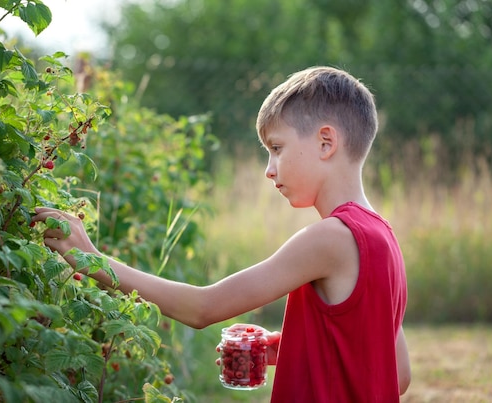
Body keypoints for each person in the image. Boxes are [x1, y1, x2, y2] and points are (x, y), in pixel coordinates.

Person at [33, 66, 411, 402]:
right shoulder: (383, 238)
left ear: (326, 143)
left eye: (276, 148)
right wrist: (292, 347)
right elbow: (400, 375)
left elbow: (203, 308)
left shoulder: (330, 238)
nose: (269, 169)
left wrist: (93, 260)